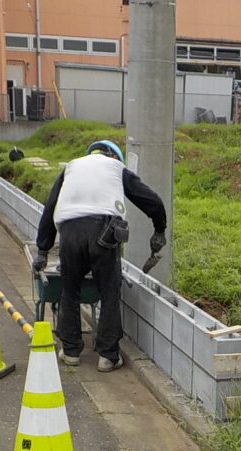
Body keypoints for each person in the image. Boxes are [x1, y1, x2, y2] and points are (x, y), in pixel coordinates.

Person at [34, 140, 167, 371]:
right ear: (114, 157)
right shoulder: (116, 168)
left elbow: (50, 206)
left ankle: (71, 351)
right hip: (104, 231)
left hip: (69, 231)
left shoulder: (71, 167)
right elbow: (151, 200)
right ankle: (108, 356)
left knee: (70, 289)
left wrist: (43, 250)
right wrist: (159, 229)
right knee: (109, 292)